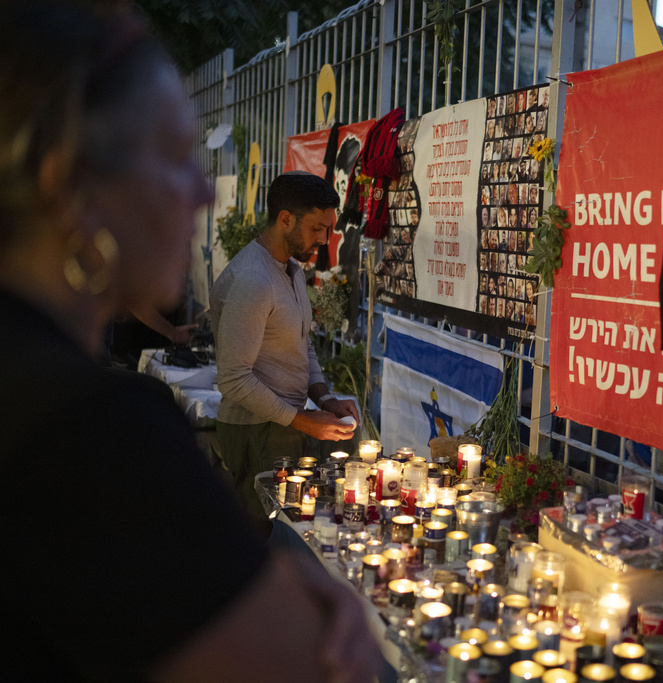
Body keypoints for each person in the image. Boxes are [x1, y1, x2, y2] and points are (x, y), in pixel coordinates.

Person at [0, 2, 383, 681]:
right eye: (176, 157)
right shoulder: (89, 428)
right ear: (68, 187)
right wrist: (326, 623)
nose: (204, 193)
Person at [211, 171, 360, 519]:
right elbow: (233, 379)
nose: (324, 239)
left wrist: (324, 398)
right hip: (256, 432)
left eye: (328, 229)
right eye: (316, 228)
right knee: (265, 537)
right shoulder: (253, 280)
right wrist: (305, 422)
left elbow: (301, 343)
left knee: (294, 529)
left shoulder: (290, 269)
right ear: (285, 219)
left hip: (285, 427)